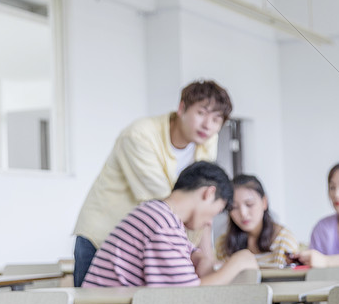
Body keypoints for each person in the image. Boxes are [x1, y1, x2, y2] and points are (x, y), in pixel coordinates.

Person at [72, 80, 233, 286]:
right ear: (181, 108)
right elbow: (168, 203)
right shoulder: (139, 135)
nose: (208, 125)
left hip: (153, 239)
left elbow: (201, 205)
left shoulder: (207, 140)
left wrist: (204, 257)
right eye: (201, 113)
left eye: (216, 119)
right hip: (105, 236)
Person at [70, 161, 257, 304]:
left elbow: (189, 256)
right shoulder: (163, 224)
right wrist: (236, 263)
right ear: (208, 193)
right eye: (215, 212)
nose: (209, 222)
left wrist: (199, 258)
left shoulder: (158, 214)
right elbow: (188, 298)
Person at [217, 174, 299, 269]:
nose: (243, 214)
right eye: (234, 207)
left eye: (249, 204)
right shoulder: (223, 244)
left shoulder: (284, 240)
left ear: (264, 202)